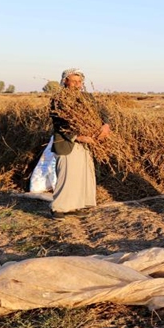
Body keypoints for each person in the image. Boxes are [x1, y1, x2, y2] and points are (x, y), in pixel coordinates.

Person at [49, 68, 111, 220]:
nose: (77, 84)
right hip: (67, 142)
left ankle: (76, 206)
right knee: (67, 175)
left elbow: (102, 112)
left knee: (82, 175)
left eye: (79, 81)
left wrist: (106, 125)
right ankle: (59, 208)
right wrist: (77, 136)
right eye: (74, 81)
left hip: (88, 142)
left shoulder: (87, 97)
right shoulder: (58, 99)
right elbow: (59, 123)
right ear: (65, 81)